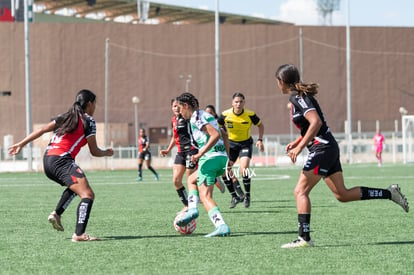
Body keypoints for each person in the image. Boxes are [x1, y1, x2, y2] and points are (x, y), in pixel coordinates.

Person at [275, 64, 409, 248]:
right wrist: (298, 142)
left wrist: (300, 148)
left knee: (300, 191)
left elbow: (316, 122)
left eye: (278, 81)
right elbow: (313, 126)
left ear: (282, 81)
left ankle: (304, 238)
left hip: (322, 149)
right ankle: (389, 193)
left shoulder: (298, 97)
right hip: (327, 147)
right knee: (342, 194)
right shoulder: (299, 97)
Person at [8, 89, 114, 242]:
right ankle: (79, 234)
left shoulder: (66, 116)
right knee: (88, 195)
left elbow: (41, 130)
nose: (95, 107)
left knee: (75, 187)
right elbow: (94, 151)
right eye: (95, 103)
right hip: (62, 161)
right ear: (89, 104)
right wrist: (106, 153)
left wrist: (21, 144)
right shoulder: (88, 121)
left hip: (48, 160)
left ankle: (57, 214)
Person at [174, 92, 231, 237]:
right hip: (220, 158)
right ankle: (192, 208)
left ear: (186, 106)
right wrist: (227, 157)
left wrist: (200, 154)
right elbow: (224, 135)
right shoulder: (205, 115)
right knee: (191, 179)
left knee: (205, 196)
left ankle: (221, 225)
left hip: (210, 159)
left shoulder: (196, 118)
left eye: (180, 109)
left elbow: (215, 135)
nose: (180, 113)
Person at [217, 92, 264, 208]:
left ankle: (247, 195)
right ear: (232, 103)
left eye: (241, 102)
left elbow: (260, 125)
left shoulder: (250, 114)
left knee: (244, 169)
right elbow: (218, 124)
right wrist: (223, 132)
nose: (238, 104)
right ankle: (234, 196)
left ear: (244, 103)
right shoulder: (225, 114)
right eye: (236, 102)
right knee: (225, 170)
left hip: (245, 144)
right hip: (231, 145)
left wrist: (260, 139)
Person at [160, 99, 198, 209]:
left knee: (190, 179)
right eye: (174, 106)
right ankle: (188, 205)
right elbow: (174, 137)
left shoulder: (187, 118)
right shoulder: (173, 120)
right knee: (176, 181)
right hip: (180, 152)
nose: (176, 108)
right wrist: (168, 150)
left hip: (191, 150)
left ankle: (191, 205)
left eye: (178, 106)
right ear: (171, 108)